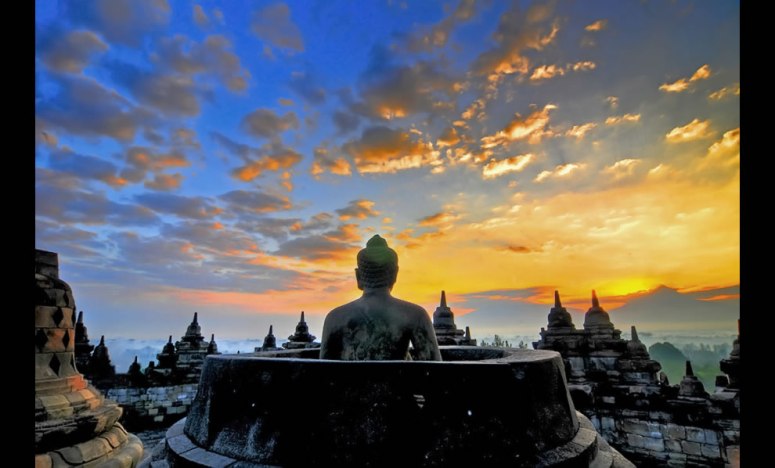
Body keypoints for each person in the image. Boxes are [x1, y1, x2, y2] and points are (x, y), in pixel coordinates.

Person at [320, 235, 442, 361]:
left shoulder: (335, 317)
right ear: (394, 274)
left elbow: (323, 372)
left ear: (358, 276)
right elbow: (434, 370)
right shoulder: (416, 315)